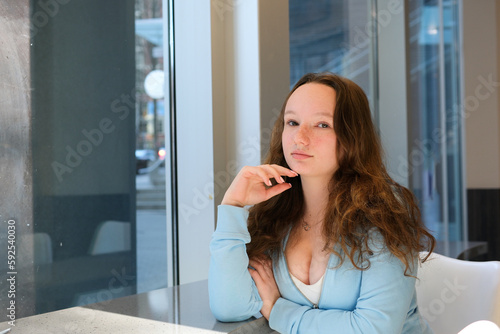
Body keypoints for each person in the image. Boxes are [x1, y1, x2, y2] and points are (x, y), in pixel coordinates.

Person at [209, 72, 436, 333]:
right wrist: (233, 205)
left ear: (352, 137)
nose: (300, 138)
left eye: (322, 125)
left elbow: (373, 329)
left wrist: (276, 309)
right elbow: (231, 309)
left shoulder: (382, 212)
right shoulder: (275, 211)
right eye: (292, 122)